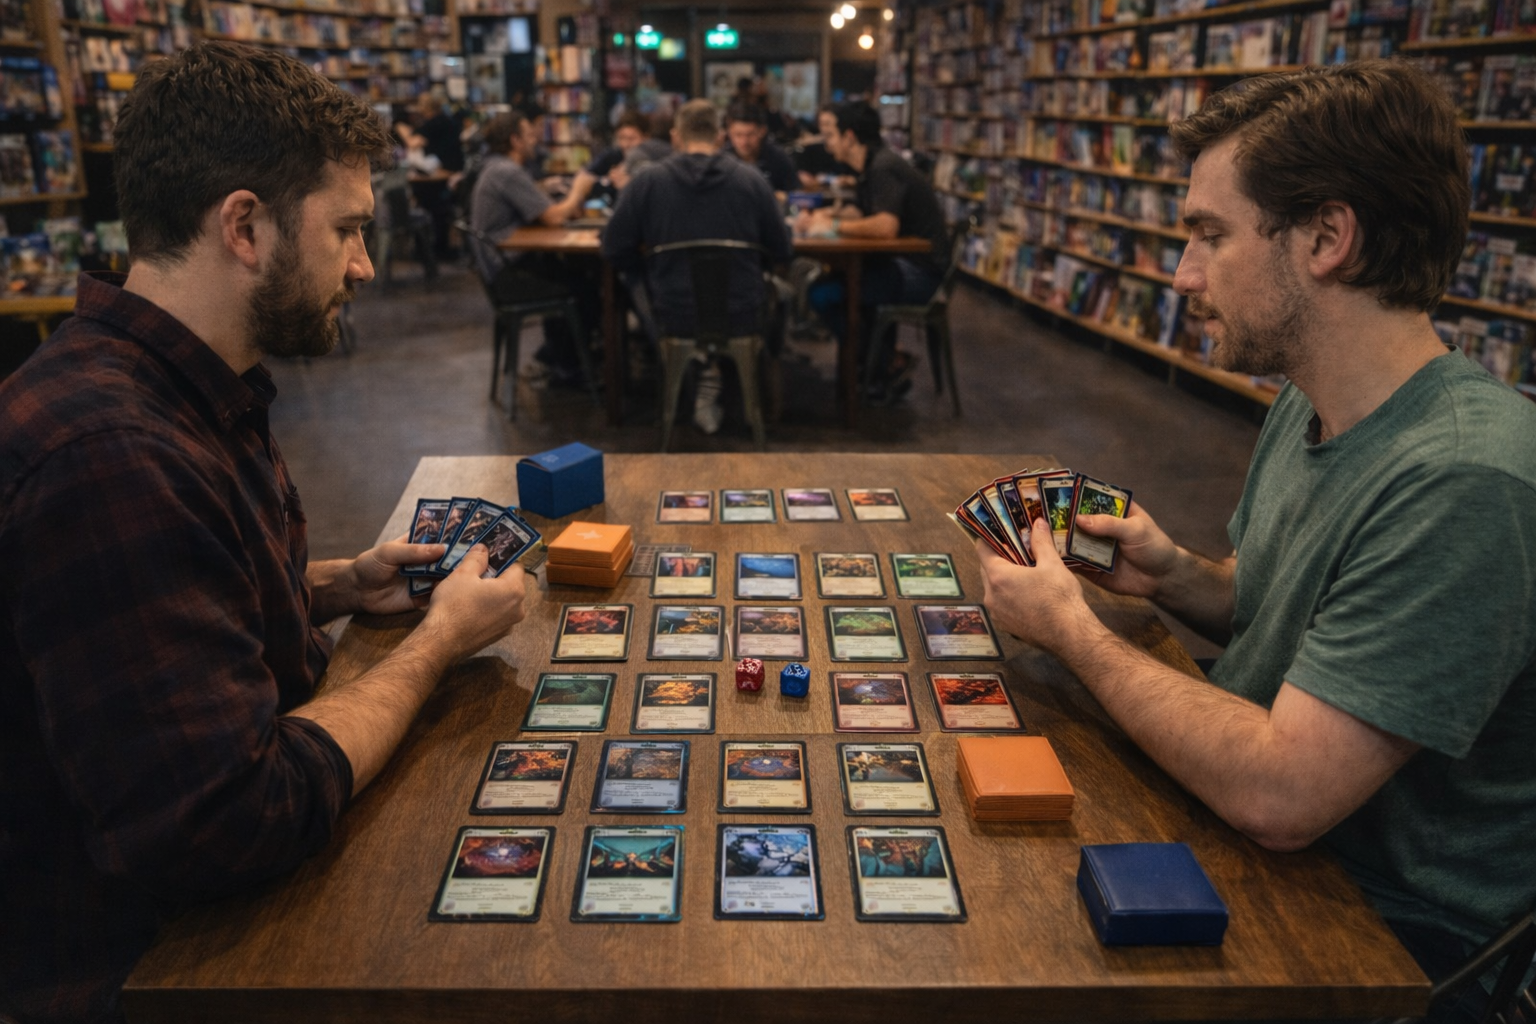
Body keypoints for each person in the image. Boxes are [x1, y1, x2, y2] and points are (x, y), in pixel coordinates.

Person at [975, 61, 1536, 1024]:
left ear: (1326, 237)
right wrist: (1178, 576)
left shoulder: (1463, 479)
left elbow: (1284, 794)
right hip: (1274, 845)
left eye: (1208, 235)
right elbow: (1279, 606)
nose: (1183, 274)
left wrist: (1074, 629)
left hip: (1380, 935)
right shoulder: (1314, 405)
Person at [0, 41, 528, 1024]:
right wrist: (437, 639)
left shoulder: (173, 385)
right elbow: (234, 818)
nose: (366, 264)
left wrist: (329, 584)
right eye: (347, 232)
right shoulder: (112, 455)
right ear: (244, 225)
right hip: (149, 966)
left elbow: (172, 604)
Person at [602, 99, 792, 435]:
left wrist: (650, 261)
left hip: (673, 314)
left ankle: (692, 377)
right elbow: (782, 249)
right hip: (741, 313)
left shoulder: (647, 183)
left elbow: (613, 247)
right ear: (721, 137)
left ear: (675, 137)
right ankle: (730, 383)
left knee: (634, 276)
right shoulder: (751, 181)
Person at [799, 100, 948, 403]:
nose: (826, 144)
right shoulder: (872, 164)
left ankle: (878, 365)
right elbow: (862, 210)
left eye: (830, 135)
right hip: (902, 265)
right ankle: (878, 366)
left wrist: (831, 228)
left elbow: (884, 226)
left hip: (919, 273)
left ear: (850, 137)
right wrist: (828, 217)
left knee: (823, 294)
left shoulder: (884, 168)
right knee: (835, 290)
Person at [468, 111, 599, 386]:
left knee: (570, 274)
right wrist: (578, 189)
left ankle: (555, 357)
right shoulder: (507, 171)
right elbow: (552, 218)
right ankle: (568, 367)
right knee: (587, 287)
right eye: (529, 135)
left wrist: (539, 187)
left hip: (499, 271)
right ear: (515, 140)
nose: (535, 140)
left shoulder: (497, 167)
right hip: (509, 276)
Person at [723, 102, 798, 193]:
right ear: (729, 133)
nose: (744, 142)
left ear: (762, 131)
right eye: (738, 135)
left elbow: (794, 193)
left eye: (750, 135)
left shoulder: (778, 158)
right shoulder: (722, 161)